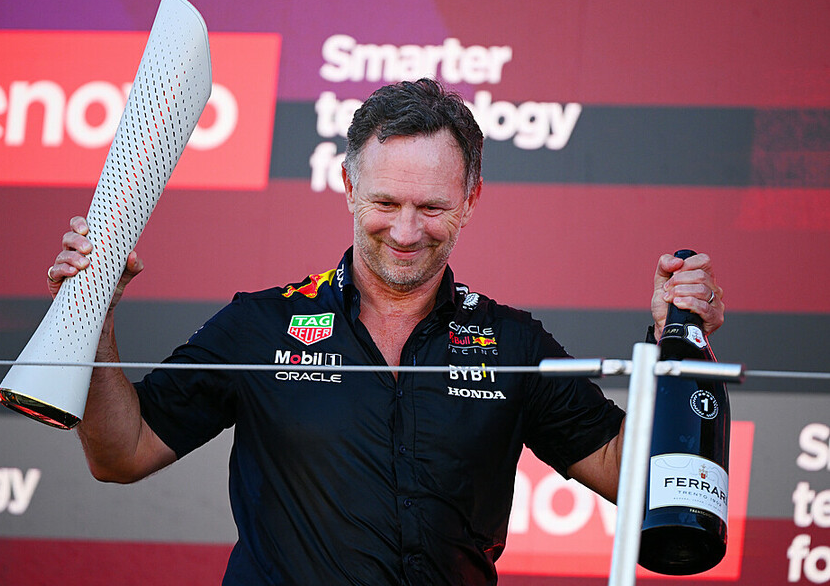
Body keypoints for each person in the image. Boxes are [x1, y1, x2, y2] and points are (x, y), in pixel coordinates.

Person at [47, 78, 725, 585]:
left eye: (431, 207)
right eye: (385, 202)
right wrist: (93, 313)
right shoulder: (260, 324)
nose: (405, 231)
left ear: (471, 199)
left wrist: (676, 345)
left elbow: (641, 479)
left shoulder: (513, 344)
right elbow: (121, 453)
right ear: (348, 185)